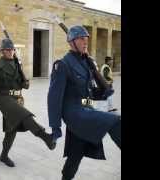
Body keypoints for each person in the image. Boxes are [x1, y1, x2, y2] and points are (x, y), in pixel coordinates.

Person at [47, 25, 121, 180]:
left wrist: (101, 88)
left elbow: (88, 91)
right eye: (81, 39)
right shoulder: (63, 65)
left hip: (85, 110)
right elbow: (54, 98)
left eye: (86, 38)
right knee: (115, 121)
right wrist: (55, 127)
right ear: (71, 42)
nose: (85, 42)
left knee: (76, 152)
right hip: (74, 113)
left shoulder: (85, 62)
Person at [0, 38, 56, 167]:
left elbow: (22, 83)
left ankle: (4, 155)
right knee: (25, 116)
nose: (10, 52)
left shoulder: (17, 63)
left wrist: (25, 82)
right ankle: (45, 137)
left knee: (11, 129)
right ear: (2, 51)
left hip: (17, 99)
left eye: (12, 49)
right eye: (7, 50)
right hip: (4, 99)